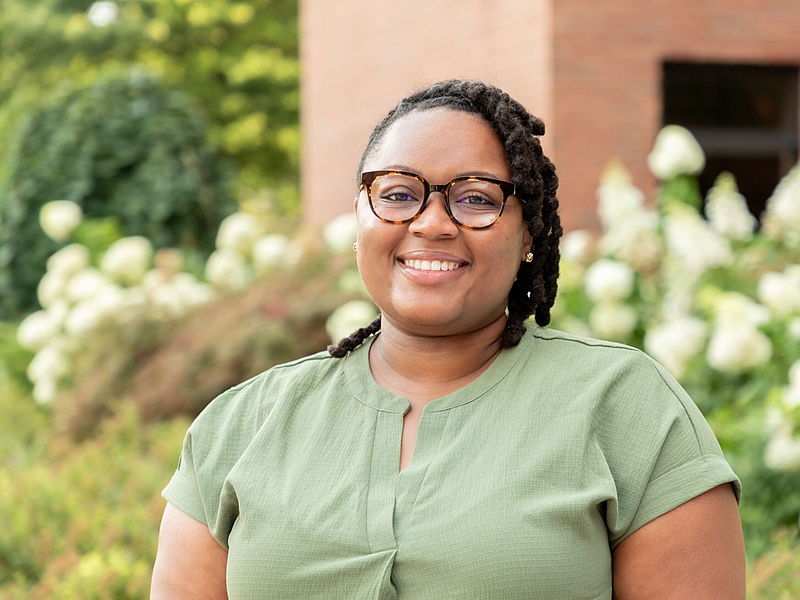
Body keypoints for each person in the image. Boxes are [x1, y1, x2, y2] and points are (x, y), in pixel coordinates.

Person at [151, 79, 745, 599]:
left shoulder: (626, 408)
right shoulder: (241, 425)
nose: (431, 222)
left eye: (476, 199)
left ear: (529, 232)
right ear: (359, 218)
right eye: (397, 194)